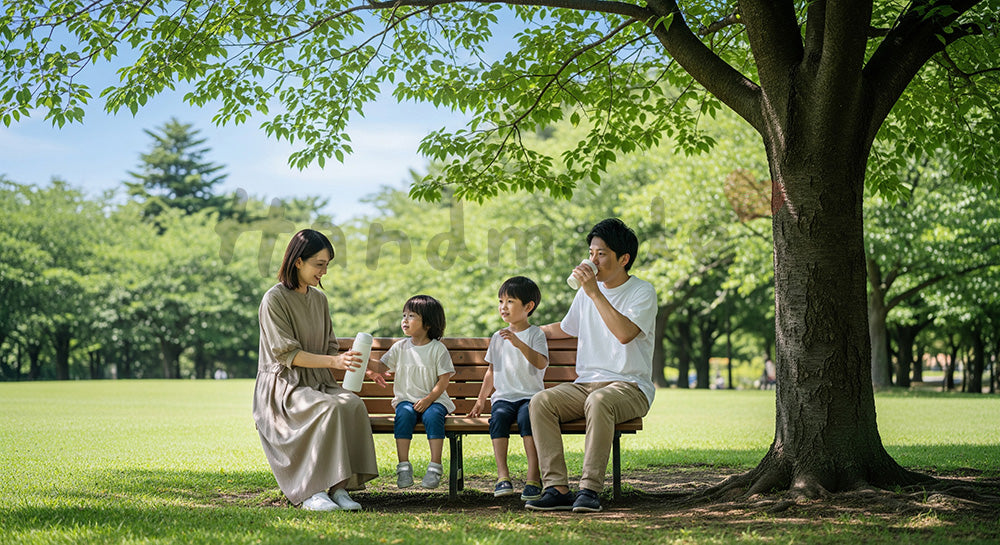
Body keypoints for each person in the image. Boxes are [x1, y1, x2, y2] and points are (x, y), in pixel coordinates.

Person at [526, 218, 658, 513]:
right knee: (541, 402)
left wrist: (594, 292)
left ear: (623, 259)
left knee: (600, 401)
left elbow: (625, 334)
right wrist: (527, 331)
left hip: (630, 387)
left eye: (601, 254)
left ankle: (589, 491)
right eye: (591, 253)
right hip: (585, 385)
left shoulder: (641, 292)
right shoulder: (585, 293)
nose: (593, 260)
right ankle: (557, 488)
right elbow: (566, 327)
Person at [252, 229, 384, 512]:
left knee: (352, 403)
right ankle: (312, 491)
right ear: (298, 261)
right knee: (328, 408)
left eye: (327, 265)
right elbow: (287, 354)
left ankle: (339, 488)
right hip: (284, 387)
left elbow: (329, 348)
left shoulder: (320, 300)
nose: (324, 271)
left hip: (317, 382)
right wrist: (335, 363)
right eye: (319, 264)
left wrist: (367, 367)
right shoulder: (273, 300)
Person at [468, 276, 549, 501]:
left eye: (510, 301)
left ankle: (534, 476)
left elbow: (541, 363)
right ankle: (502, 476)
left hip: (530, 397)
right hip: (503, 397)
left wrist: (518, 343)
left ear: (528, 306)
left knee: (526, 420)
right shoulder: (497, 336)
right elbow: (491, 371)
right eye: (500, 301)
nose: (503, 307)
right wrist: (481, 399)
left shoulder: (535, 334)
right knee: (499, 419)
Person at [375, 295, 455, 489]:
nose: (405, 320)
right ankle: (403, 467)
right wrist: (362, 361)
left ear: (427, 323)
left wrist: (429, 400)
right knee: (403, 414)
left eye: (411, 316)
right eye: (404, 315)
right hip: (407, 400)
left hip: (435, 401)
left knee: (434, 416)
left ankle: (435, 466)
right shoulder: (400, 348)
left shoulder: (437, 349)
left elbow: (444, 380)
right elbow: (381, 366)